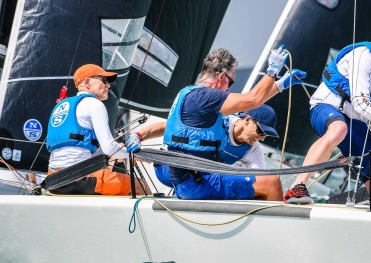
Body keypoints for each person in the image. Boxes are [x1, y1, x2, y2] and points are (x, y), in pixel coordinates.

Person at [129, 47, 305, 201]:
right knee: (272, 183)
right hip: (198, 182)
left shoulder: (193, 95)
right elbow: (252, 100)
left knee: (259, 183)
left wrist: (282, 84)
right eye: (231, 82)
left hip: (191, 179)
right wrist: (272, 71)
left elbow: (251, 107)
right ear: (221, 76)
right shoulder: (206, 97)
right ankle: (272, 236)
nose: (228, 89)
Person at [284, 15, 371, 205]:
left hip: (355, 120)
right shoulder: (363, 56)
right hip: (326, 107)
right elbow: (360, 103)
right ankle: (296, 188)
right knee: (339, 129)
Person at [131, 104, 283, 196]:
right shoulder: (218, 122)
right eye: (261, 132)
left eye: (266, 135)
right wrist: (138, 136)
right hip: (167, 169)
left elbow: (259, 181)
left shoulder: (252, 150)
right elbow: (168, 127)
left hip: (202, 178)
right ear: (248, 119)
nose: (262, 138)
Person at [44, 64, 148, 195]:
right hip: (80, 179)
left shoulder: (61, 106)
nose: (108, 85)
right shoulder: (94, 104)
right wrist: (135, 154)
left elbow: (89, 150)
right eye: (104, 80)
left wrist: (121, 151)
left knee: (112, 177)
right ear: (87, 82)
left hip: (54, 180)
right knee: (140, 185)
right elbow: (109, 149)